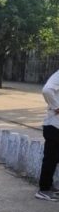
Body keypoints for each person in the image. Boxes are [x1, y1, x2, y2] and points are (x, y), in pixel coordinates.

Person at [35, 69, 59, 201]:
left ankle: (48, 186)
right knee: (50, 158)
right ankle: (44, 189)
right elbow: (47, 90)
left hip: (56, 126)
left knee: (54, 158)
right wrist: (56, 107)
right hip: (54, 126)